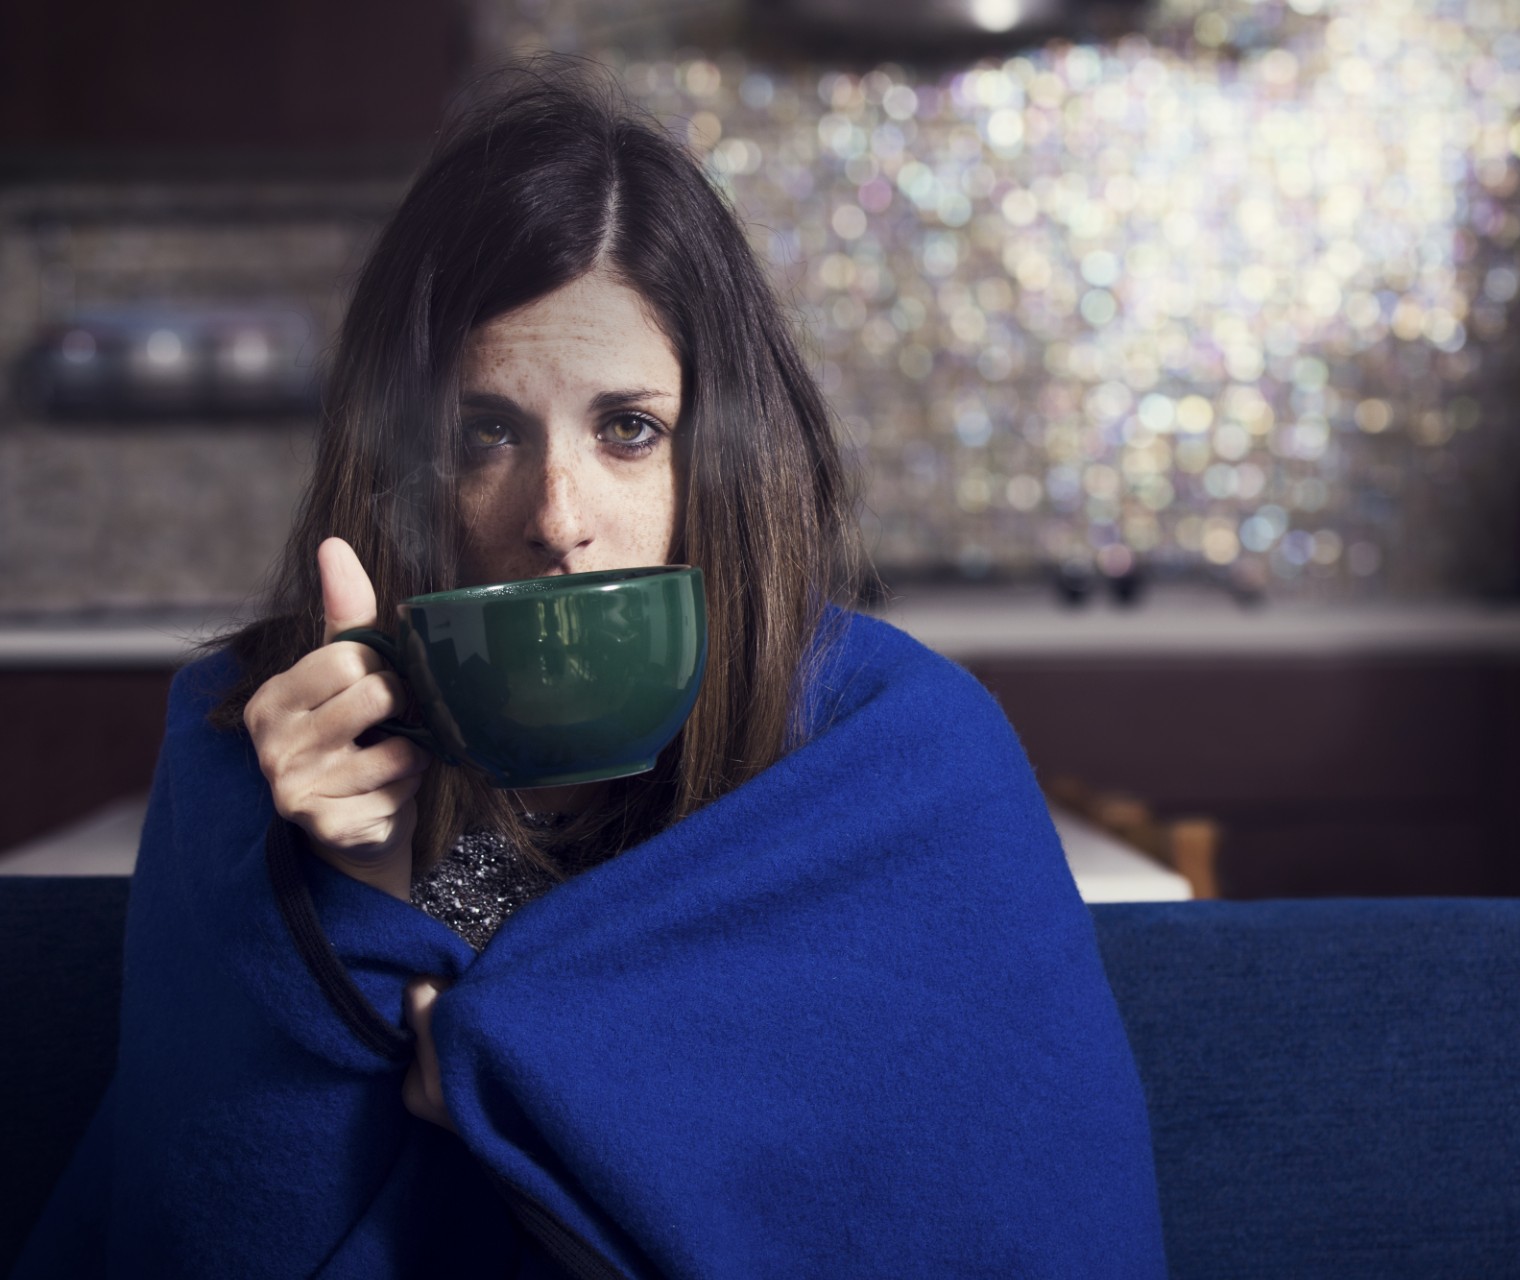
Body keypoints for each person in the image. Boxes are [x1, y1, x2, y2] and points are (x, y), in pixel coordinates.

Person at [16, 57, 1167, 1279]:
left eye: (629, 428)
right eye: (485, 433)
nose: (556, 514)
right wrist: (340, 890)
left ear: (718, 454)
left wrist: (515, 1083)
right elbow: (214, 1236)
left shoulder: (899, 747)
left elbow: (1027, 1223)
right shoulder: (249, 734)